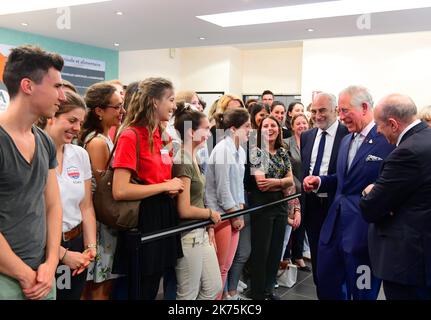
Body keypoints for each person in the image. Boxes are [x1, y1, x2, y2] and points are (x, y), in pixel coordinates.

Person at [303, 86, 394, 300]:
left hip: (364, 234)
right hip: (333, 228)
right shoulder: (347, 140)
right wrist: (320, 181)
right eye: (340, 111)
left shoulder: (386, 141)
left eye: (344, 111)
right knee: (327, 285)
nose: (341, 117)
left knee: (362, 291)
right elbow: (343, 181)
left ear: (364, 108)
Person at [0, 45, 64, 300]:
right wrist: (25, 274)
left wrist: (50, 263)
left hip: (43, 276)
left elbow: (53, 205)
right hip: (9, 280)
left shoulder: (45, 141)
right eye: (56, 87)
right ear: (28, 86)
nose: (63, 96)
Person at [112, 77, 184, 300]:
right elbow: (120, 190)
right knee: (142, 287)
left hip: (164, 213)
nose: (174, 106)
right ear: (154, 102)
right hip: (144, 217)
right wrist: (164, 186)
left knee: (154, 284)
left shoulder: (159, 135)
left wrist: (168, 188)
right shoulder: (130, 135)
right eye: (170, 99)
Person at [360, 94, 431, 300]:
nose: (378, 132)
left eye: (379, 126)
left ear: (393, 124)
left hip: (408, 262)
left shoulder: (406, 153)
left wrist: (368, 190)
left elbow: (371, 207)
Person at [38, 91, 97, 300]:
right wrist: (62, 255)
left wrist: (90, 247)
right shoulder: (34, 153)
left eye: (80, 122)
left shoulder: (79, 154)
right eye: (71, 120)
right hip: (41, 248)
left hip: (76, 243)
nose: (77, 128)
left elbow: (86, 206)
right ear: (52, 116)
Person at [79, 82, 126, 300]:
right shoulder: (97, 142)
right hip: (99, 223)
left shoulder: (105, 139)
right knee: (99, 284)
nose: (122, 112)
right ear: (99, 110)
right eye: (116, 107)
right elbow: (105, 189)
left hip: (102, 222)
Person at [300, 92, 348, 295]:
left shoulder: (347, 134)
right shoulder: (307, 136)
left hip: (336, 207)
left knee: (338, 263)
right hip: (311, 207)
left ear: (335, 110)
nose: (317, 115)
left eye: (322, 111)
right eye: (313, 111)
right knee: (319, 261)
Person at [172, 107, 222, 300]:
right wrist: (209, 213)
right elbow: (183, 209)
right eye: (206, 128)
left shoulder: (193, 157)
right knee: (188, 294)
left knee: (213, 286)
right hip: (188, 234)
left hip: (199, 231)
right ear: (192, 132)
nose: (209, 133)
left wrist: (208, 224)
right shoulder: (182, 159)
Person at [205, 108, 251, 300]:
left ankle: (222, 299)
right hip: (221, 215)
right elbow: (222, 189)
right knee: (219, 268)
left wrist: (240, 209)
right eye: (247, 126)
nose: (250, 131)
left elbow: (238, 184)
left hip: (233, 213)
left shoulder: (239, 150)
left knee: (226, 266)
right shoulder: (223, 150)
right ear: (233, 129)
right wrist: (235, 215)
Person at [249, 115, 294, 300]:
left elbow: (291, 181)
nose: (270, 128)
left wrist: (277, 181)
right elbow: (261, 184)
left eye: (273, 125)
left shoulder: (283, 151)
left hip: (280, 206)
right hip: (263, 206)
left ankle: (269, 289)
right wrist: (283, 182)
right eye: (265, 126)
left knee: (276, 251)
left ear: (279, 129)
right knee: (262, 251)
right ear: (260, 131)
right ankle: (258, 292)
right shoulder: (257, 152)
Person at [282, 114, 309, 270]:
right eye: (298, 123)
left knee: (301, 224)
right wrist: (300, 185)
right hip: (291, 189)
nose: (302, 126)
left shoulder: (311, 141)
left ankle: (298, 256)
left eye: (304, 123)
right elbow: (287, 170)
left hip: (309, 190)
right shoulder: (286, 143)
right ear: (292, 126)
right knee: (287, 226)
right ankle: (285, 258)